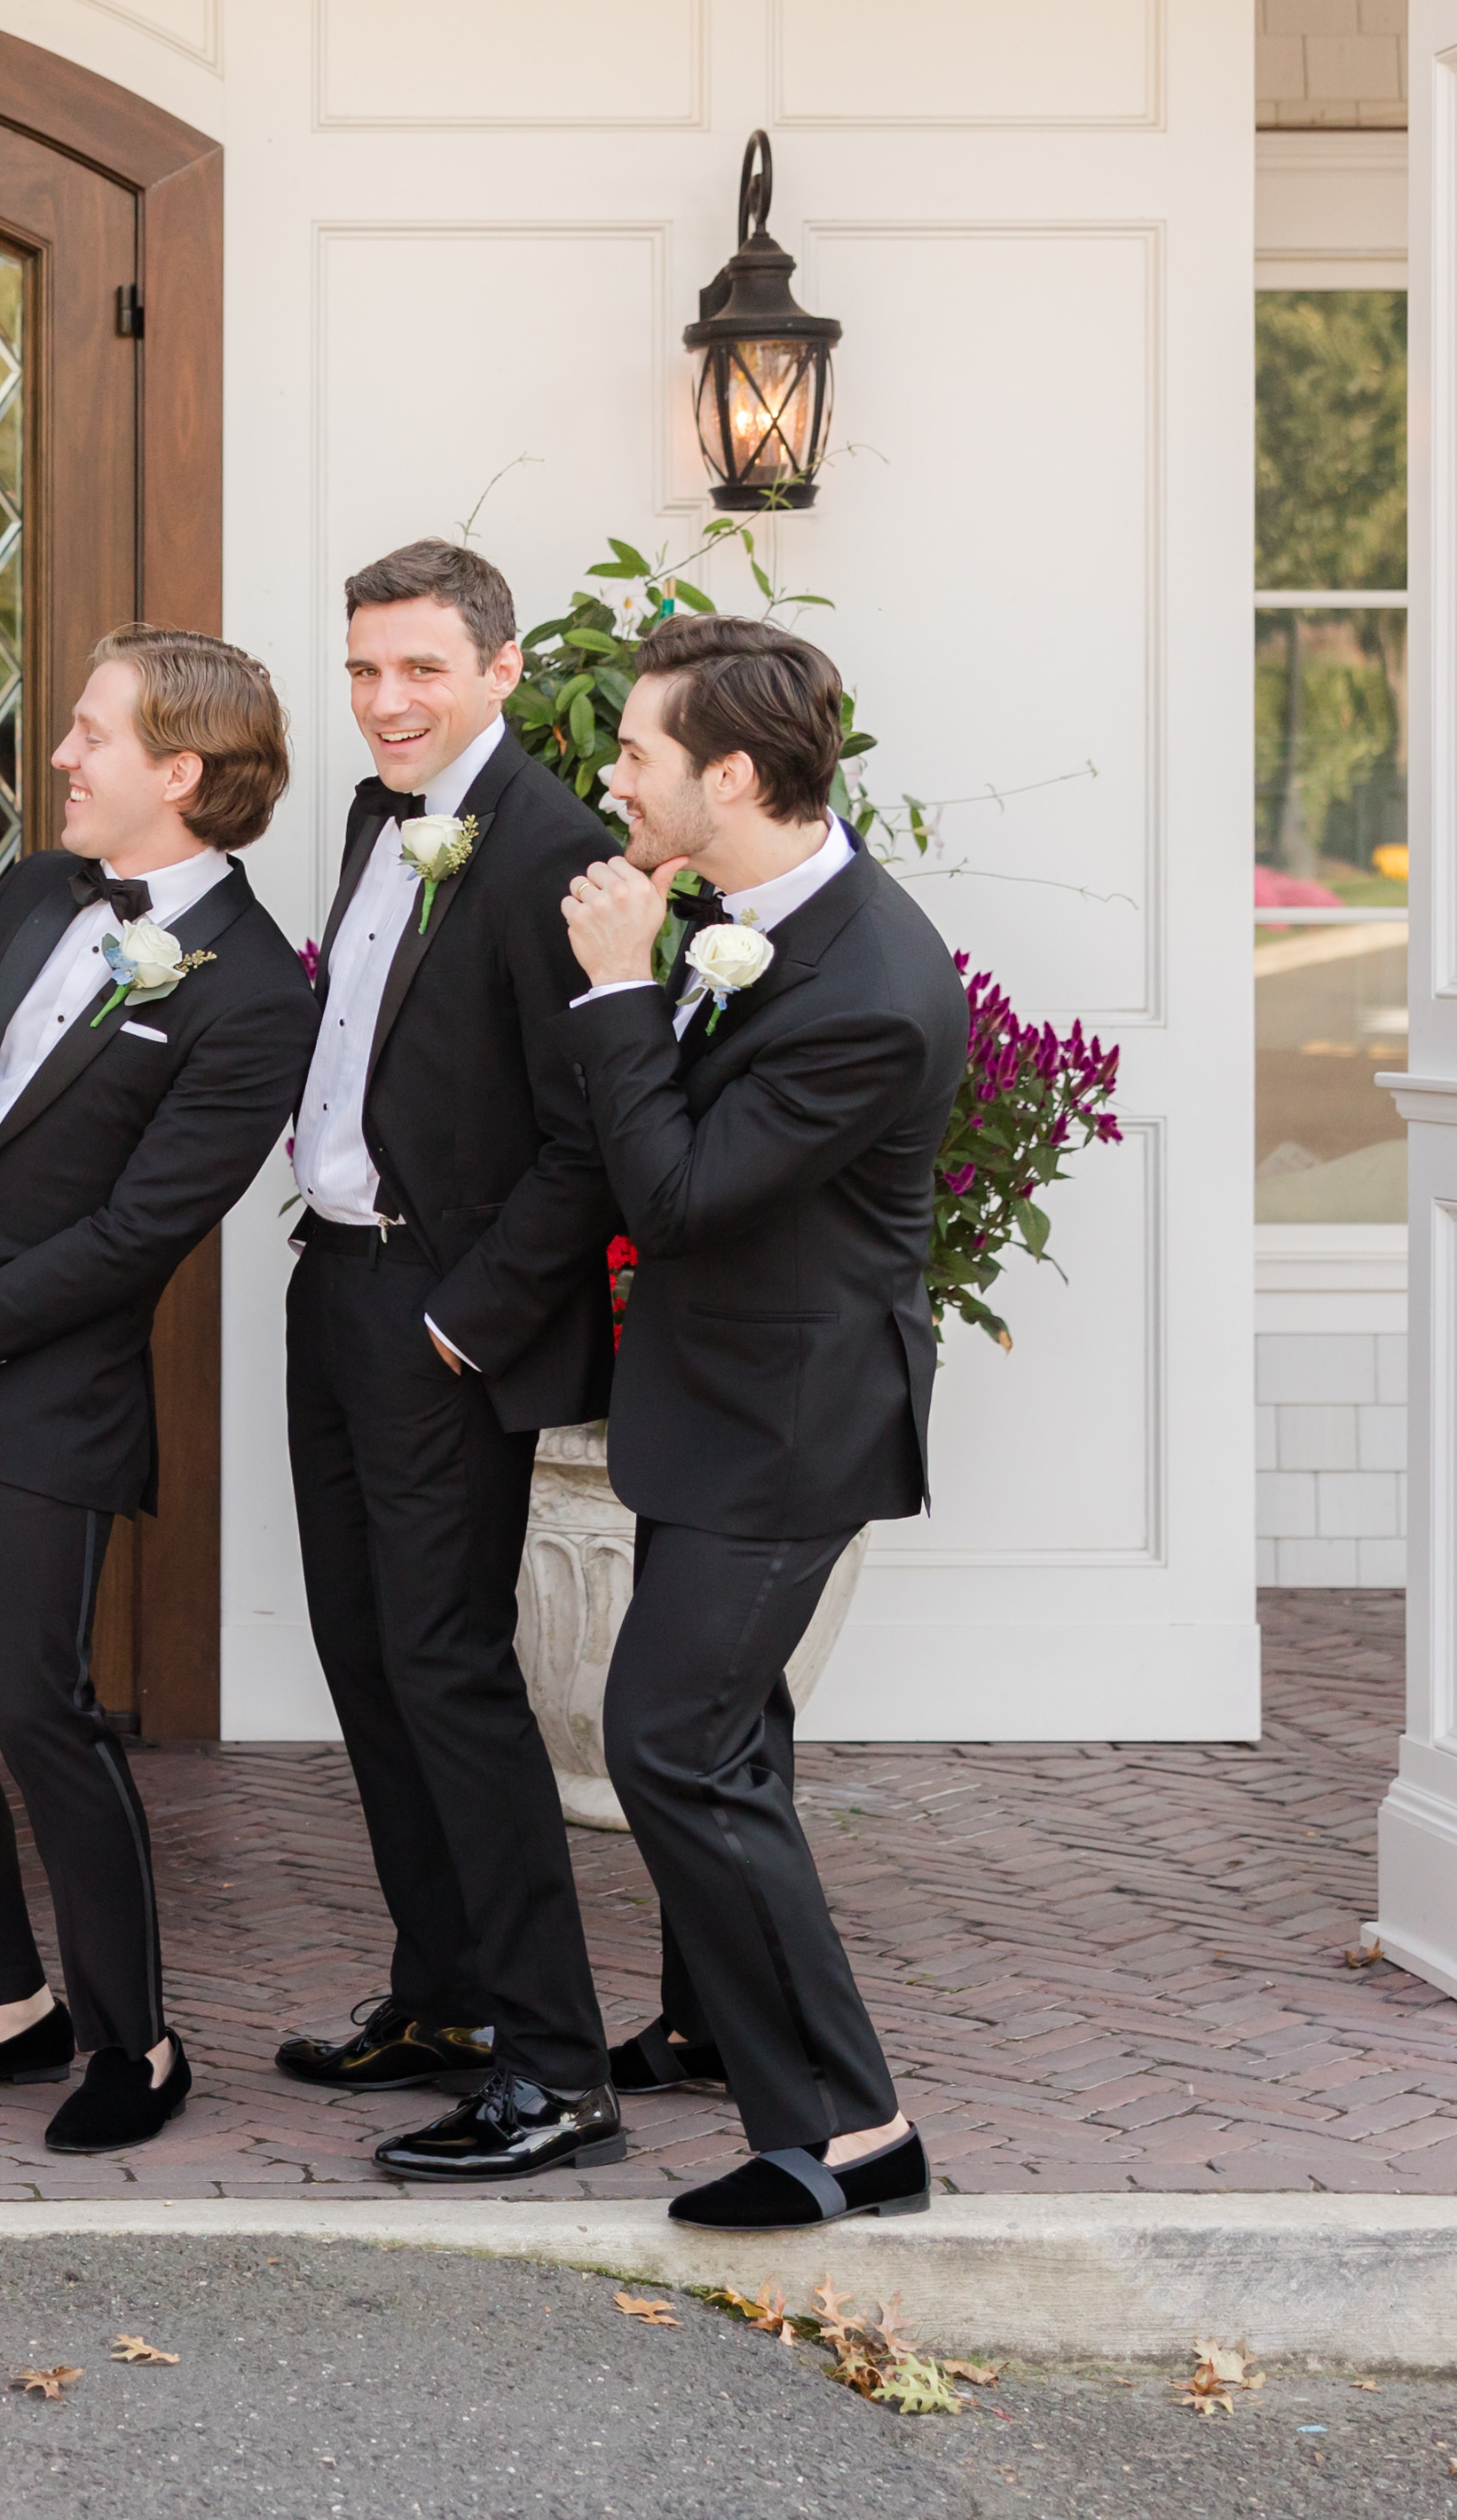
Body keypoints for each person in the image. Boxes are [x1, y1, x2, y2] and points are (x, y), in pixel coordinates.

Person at [0, 625, 311, 2159]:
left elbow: (129, 1242)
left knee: (39, 1707)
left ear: (183, 770)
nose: (62, 756)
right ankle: (0, 1998)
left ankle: (133, 2037)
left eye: (93, 733)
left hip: (43, 1399)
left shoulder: (254, 995)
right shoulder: (38, 890)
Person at [550, 609, 967, 2232]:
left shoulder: (869, 981)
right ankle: (726, 2029)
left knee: (673, 1743)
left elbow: (680, 1192)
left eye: (639, 751)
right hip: (720, 1408)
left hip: (790, 1428)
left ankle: (857, 2129)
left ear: (730, 773)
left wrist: (613, 994)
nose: (614, 775)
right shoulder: (761, 913)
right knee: (734, 1745)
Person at [264, 541, 630, 2183]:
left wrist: (459, 1319)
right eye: (362, 669)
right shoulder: (371, 817)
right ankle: (449, 1994)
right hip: (331, 1287)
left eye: (418, 668)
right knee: (367, 1655)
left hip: (438, 1313)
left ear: (499, 668)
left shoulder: (560, 851)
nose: (385, 700)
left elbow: (588, 1141)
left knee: (455, 1675)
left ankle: (556, 2068)